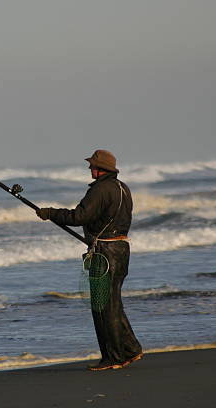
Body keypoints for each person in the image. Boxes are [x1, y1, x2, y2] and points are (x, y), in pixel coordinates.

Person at [36, 149, 143, 371]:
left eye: (92, 165)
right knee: (113, 303)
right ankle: (131, 350)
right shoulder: (123, 188)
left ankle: (113, 358)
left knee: (102, 307)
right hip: (121, 248)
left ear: (100, 168)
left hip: (104, 252)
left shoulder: (100, 190)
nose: (89, 168)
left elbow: (78, 217)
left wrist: (50, 213)